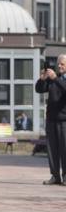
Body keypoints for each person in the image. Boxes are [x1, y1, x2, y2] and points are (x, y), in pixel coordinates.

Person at [35, 55, 66, 185]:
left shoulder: (58, 80)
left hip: (64, 120)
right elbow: (39, 89)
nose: (59, 66)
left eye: (63, 64)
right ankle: (55, 175)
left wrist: (55, 79)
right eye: (59, 64)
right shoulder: (53, 79)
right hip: (51, 120)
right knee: (52, 149)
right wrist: (42, 79)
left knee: (65, 149)